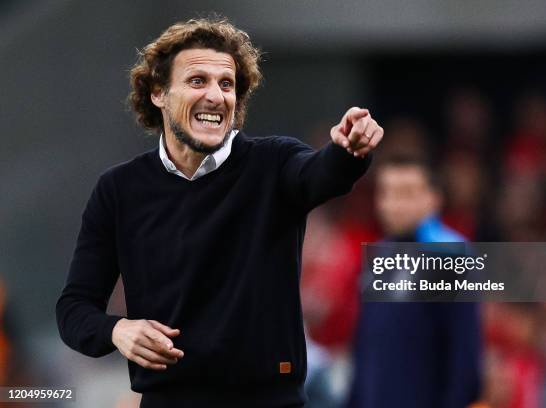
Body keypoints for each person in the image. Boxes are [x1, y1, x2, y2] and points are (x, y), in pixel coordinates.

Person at [55, 17, 384, 408]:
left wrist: (348, 151)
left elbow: (320, 173)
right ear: (158, 93)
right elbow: (74, 309)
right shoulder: (118, 190)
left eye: (226, 84)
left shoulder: (273, 163)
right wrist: (117, 330)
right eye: (198, 80)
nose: (216, 95)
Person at [347, 156, 481, 408]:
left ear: (433, 199)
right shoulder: (377, 257)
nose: (394, 204)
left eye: (406, 193)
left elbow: (464, 358)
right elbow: (365, 347)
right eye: (386, 193)